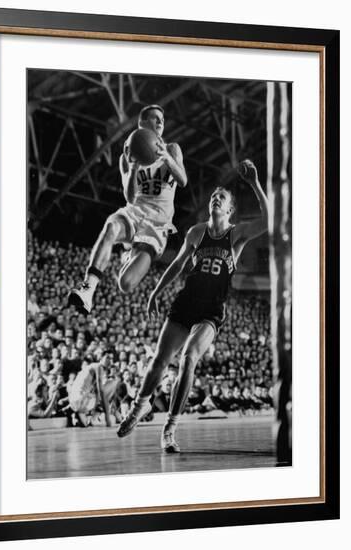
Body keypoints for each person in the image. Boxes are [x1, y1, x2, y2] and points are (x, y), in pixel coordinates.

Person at [117, 159, 268, 452]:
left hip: (212, 310)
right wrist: (155, 292)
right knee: (159, 361)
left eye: (221, 198)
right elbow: (176, 265)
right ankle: (138, 408)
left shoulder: (236, 235)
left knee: (189, 358)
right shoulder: (196, 232)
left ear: (229, 210)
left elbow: (269, 220)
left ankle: (170, 428)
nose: (215, 197)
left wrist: (254, 184)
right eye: (213, 195)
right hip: (185, 302)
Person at [68, 104, 187, 314]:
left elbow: (183, 180)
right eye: (154, 118)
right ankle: (88, 289)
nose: (160, 122)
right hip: (135, 211)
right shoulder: (127, 155)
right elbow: (130, 197)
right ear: (142, 123)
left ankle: (128, 255)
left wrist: (167, 159)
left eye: (162, 119)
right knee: (111, 227)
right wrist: (133, 170)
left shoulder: (172, 149)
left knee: (126, 284)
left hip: (157, 223)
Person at [68, 355, 118, 427]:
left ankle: (75, 413)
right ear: (100, 359)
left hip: (75, 401)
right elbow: (100, 391)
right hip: (79, 400)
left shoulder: (86, 371)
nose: (109, 360)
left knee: (84, 424)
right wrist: (107, 417)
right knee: (113, 382)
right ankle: (92, 412)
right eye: (107, 358)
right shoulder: (98, 367)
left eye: (111, 359)